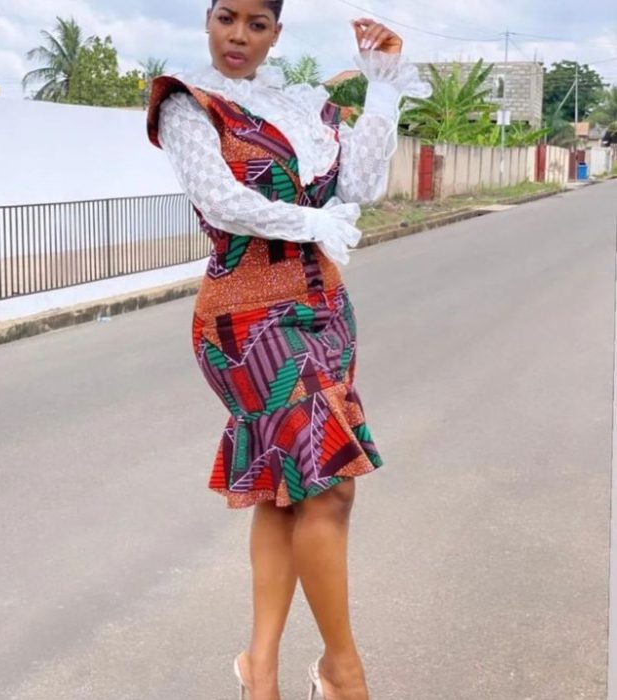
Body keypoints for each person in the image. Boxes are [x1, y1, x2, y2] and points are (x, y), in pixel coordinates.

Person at [146, 2, 430, 698]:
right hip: (246, 321)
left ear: (276, 33)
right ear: (208, 19)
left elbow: (358, 184)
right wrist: (312, 222)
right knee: (330, 486)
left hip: (325, 312)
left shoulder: (304, 108)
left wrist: (382, 85)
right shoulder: (189, 104)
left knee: (287, 493)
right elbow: (221, 201)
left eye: (256, 24)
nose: (238, 36)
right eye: (227, 17)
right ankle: (344, 672)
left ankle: (260, 669)